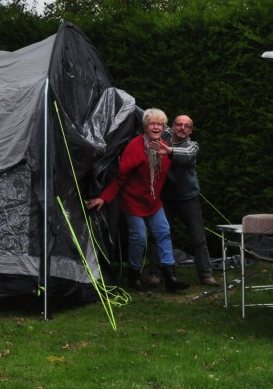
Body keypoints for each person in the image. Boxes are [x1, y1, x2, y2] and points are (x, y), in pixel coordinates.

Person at [86, 108, 189, 292]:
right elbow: (120, 178)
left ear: (164, 127)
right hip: (132, 202)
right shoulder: (134, 147)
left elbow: (182, 158)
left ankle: (170, 276)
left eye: (160, 124)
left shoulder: (164, 145)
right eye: (152, 124)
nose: (156, 127)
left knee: (163, 233)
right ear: (145, 126)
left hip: (153, 202)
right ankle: (133, 276)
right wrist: (104, 197)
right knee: (139, 238)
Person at [147, 114, 218, 287]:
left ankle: (206, 275)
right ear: (173, 125)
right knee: (158, 235)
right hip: (165, 198)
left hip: (188, 198)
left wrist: (169, 151)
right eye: (179, 124)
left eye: (187, 126)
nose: (182, 128)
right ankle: (156, 274)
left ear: (190, 130)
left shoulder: (192, 146)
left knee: (198, 238)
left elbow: (187, 155)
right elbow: (147, 117)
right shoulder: (163, 134)